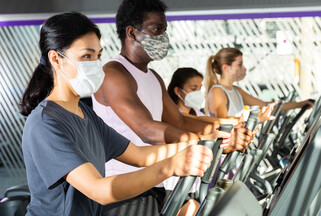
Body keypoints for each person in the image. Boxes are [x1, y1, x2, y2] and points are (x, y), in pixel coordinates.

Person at [20, 12, 217, 216]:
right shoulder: (45, 124)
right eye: (86, 56)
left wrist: (200, 144)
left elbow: (140, 156)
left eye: (98, 56)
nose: (96, 64)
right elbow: (99, 190)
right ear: (56, 59)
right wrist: (170, 167)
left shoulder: (84, 113)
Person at [93, 0, 253, 215]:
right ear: (132, 33)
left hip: (153, 183)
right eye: (156, 29)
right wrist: (207, 143)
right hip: (124, 190)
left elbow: (179, 120)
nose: (163, 37)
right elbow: (147, 129)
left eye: (164, 30)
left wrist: (222, 134)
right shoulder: (114, 73)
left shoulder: (153, 77)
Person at [204, 47, 314, 118]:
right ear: (226, 67)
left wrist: (299, 104)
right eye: (239, 64)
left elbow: (265, 105)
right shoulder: (218, 92)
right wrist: (256, 120)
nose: (244, 68)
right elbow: (224, 122)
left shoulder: (236, 90)